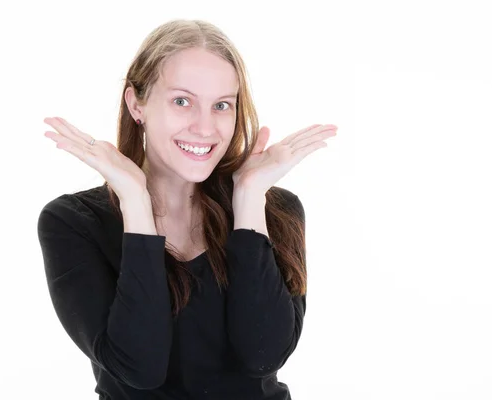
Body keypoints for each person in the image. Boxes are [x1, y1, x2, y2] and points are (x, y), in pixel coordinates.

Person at [37, 19, 337, 400]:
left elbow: (264, 355)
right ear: (136, 104)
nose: (204, 127)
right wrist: (135, 202)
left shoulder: (273, 208)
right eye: (182, 101)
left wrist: (248, 201)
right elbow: (139, 368)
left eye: (222, 105)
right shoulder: (72, 222)